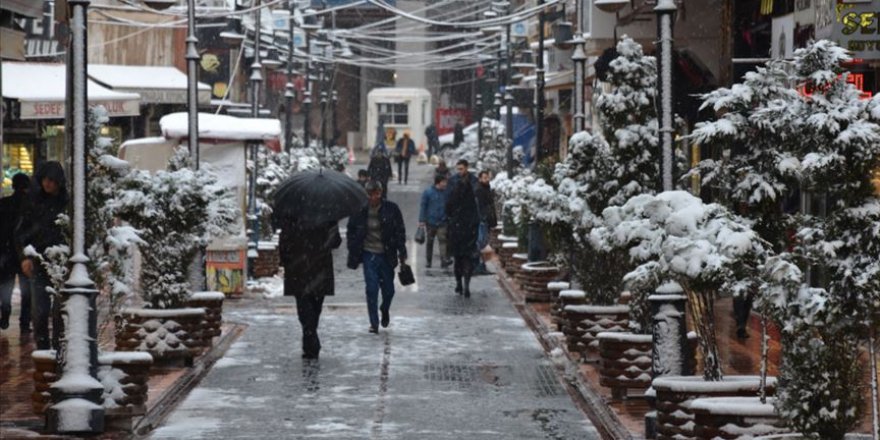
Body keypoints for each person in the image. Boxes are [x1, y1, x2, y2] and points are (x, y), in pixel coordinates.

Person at [15, 161, 68, 350]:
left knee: (59, 310)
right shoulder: (34, 202)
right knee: (40, 310)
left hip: (61, 261)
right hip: (38, 260)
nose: (49, 184)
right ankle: (43, 348)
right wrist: (25, 257)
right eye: (46, 180)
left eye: (53, 181)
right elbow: (21, 232)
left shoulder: (66, 202)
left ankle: (58, 347)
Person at [346, 181, 407, 333]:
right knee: (371, 288)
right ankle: (374, 322)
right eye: (371, 194)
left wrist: (402, 251)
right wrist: (353, 247)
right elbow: (351, 229)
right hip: (368, 253)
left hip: (387, 254)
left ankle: (384, 309)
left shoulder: (391, 209)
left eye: (377, 193)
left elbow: (400, 231)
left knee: (389, 290)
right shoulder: (360, 210)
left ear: (381, 193)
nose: (374, 197)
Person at [279, 219, 342, 359]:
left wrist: (285, 259)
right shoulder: (327, 214)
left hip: (300, 267)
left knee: (306, 308)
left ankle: (310, 337)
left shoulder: (293, 214)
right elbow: (336, 241)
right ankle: (311, 338)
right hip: (317, 266)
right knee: (313, 307)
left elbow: (284, 240)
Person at [0, 173, 32, 332]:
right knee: (27, 291)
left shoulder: (3, 204)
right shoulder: (31, 205)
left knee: (6, 286)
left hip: (6, 253)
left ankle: (5, 314)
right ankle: (24, 324)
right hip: (25, 253)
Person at [446, 174, 480, 298]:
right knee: (468, 260)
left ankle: (459, 282)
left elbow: (447, 210)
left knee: (458, 260)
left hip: (456, 232)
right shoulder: (471, 200)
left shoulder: (453, 196)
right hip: (468, 233)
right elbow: (476, 217)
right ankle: (466, 283)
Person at [419, 175, 450, 269]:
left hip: (442, 221)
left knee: (442, 240)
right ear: (438, 182)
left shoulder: (446, 193)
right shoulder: (428, 192)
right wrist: (421, 220)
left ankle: (443, 260)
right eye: (444, 182)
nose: (445, 184)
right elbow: (423, 206)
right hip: (430, 221)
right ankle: (428, 261)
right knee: (430, 242)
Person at [474, 170, 497, 275]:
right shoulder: (479, 190)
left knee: (483, 243)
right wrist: (482, 218)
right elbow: (480, 206)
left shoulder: (486, 189)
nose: (487, 179)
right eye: (484, 178)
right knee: (481, 243)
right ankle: (479, 265)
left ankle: (481, 265)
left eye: (488, 177)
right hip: (481, 221)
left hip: (485, 220)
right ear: (480, 179)